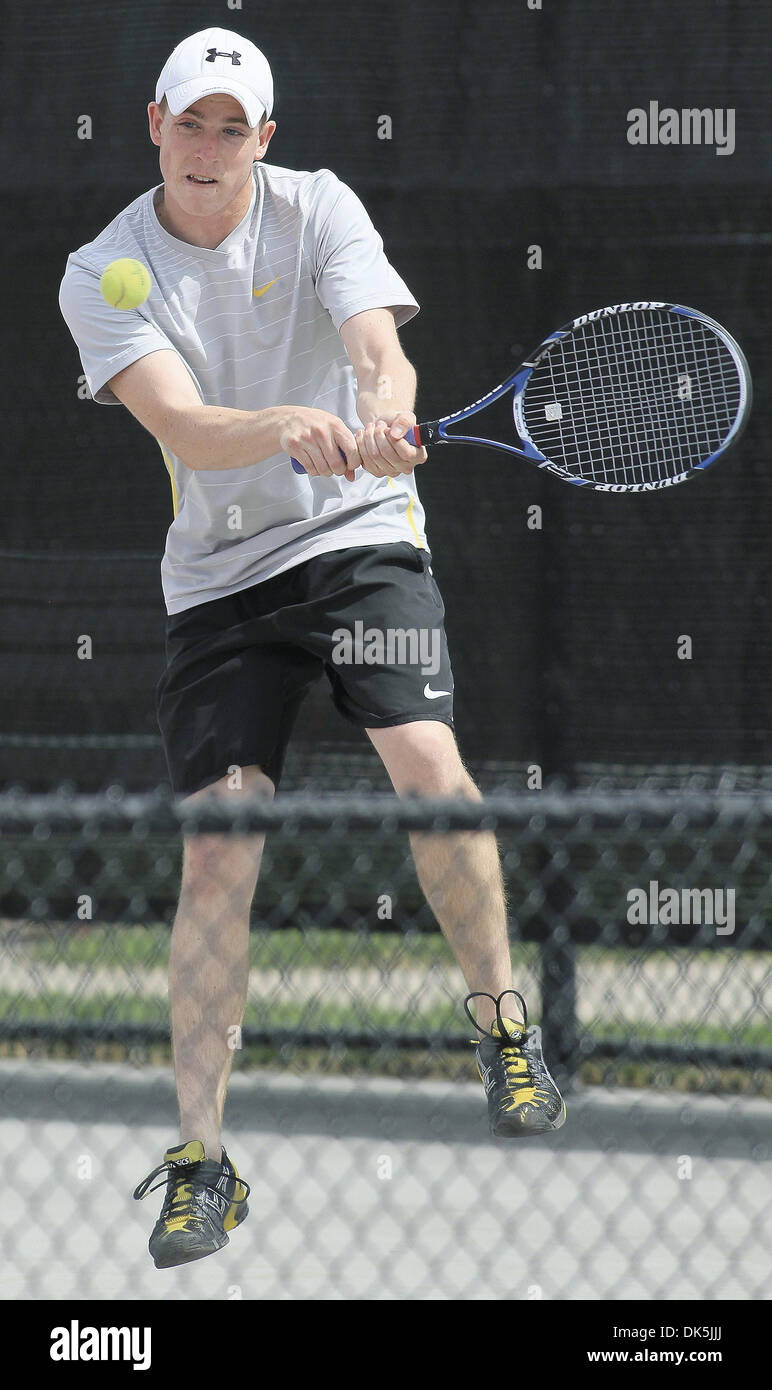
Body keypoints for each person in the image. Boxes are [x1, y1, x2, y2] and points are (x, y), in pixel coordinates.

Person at [59, 26, 566, 1270]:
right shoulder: (101, 270)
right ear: (154, 121)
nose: (209, 148)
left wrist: (381, 413)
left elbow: (376, 345)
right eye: (192, 122)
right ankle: (202, 1165)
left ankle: (503, 1027)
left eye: (235, 128)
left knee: (428, 769)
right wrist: (288, 421)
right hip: (223, 584)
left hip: (360, 546)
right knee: (220, 852)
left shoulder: (320, 206)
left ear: (264, 141)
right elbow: (182, 421)